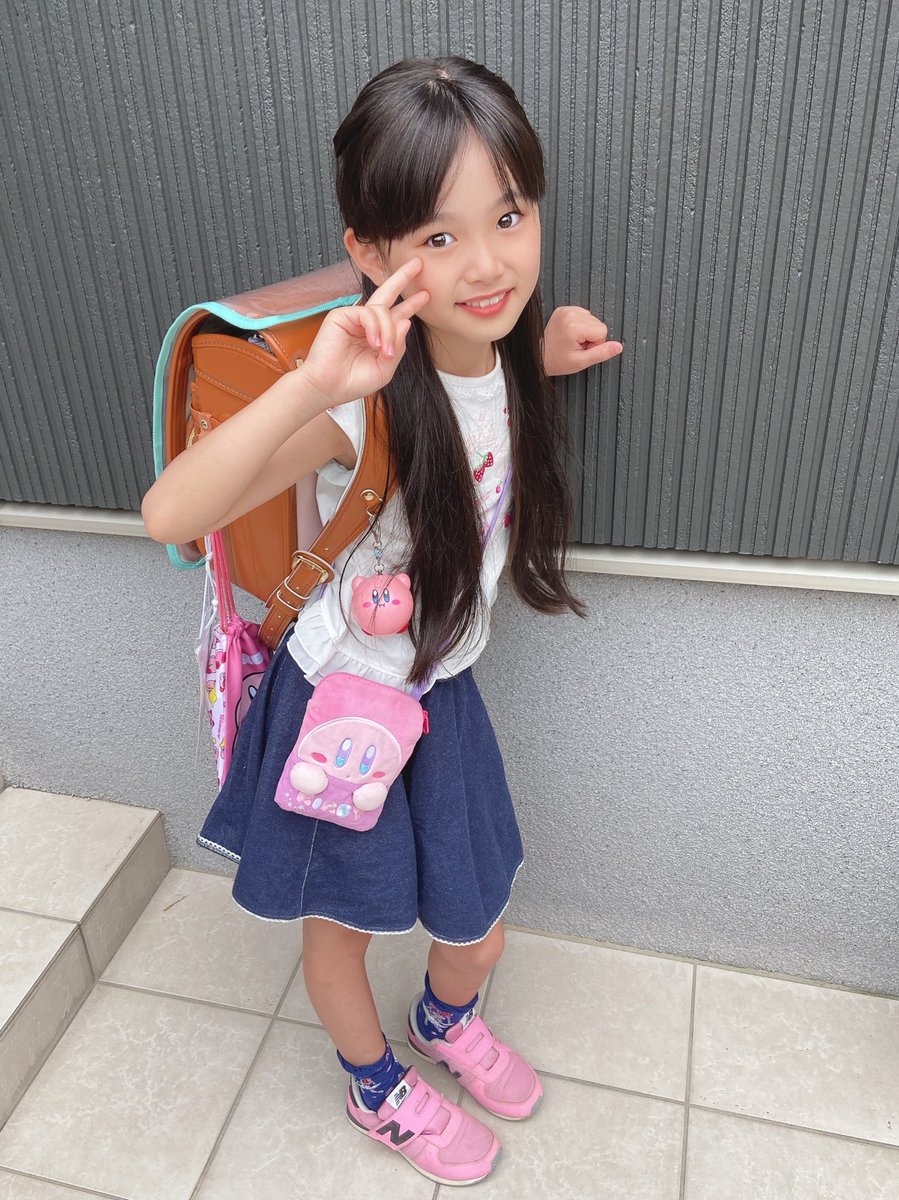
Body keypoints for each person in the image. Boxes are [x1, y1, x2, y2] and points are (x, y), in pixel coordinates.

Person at [142, 55, 622, 1189]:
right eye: (438, 236)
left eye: (508, 215)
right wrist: (314, 389)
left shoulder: (496, 350)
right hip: (341, 706)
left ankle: (444, 1021)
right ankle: (373, 1084)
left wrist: (543, 356)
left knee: (477, 925)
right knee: (340, 930)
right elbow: (171, 512)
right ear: (369, 251)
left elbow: (479, 392)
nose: (486, 263)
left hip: (439, 695)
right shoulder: (356, 404)